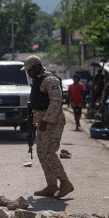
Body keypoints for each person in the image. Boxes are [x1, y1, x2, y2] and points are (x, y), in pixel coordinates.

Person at [22, 55, 74, 199]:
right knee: (41, 152)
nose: (27, 73)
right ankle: (51, 186)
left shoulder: (50, 80)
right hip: (43, 122)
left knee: (49, 152)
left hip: (53, 122)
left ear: (35, 66)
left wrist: (46, 120)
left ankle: (65, 183)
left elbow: (56, 101)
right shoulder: (39, 80)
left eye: (28, 70)